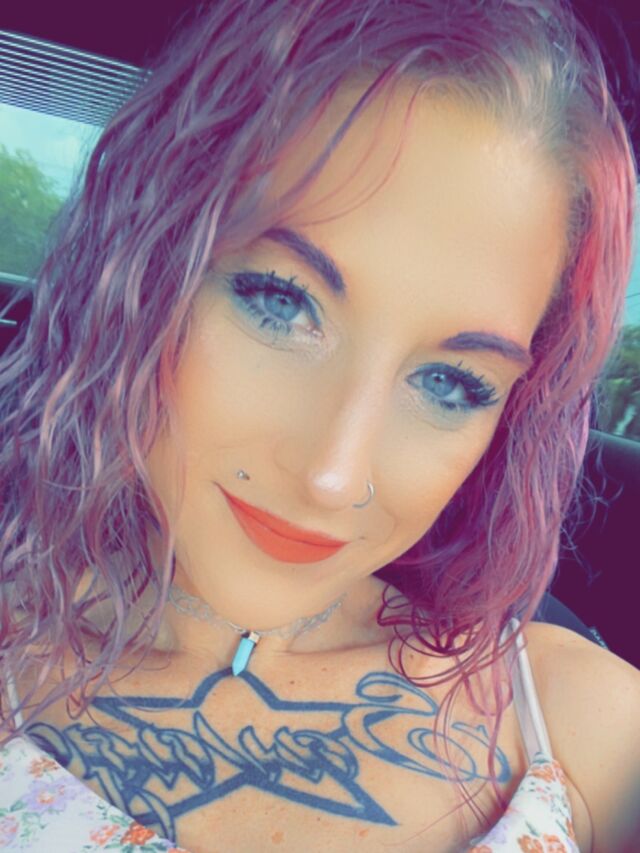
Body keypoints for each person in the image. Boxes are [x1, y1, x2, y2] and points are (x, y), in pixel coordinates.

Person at [0, 0, 638, 850]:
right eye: (280, 301)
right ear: (144, 268)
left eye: (451, 383)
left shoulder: (586, 726)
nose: (334, 473)